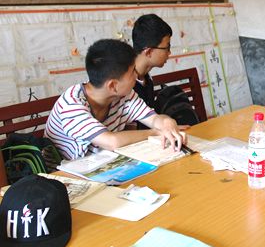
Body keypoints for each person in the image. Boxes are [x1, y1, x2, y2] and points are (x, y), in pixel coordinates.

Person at [44, 39, 185, 160]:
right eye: (132, 72)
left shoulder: (124, 95)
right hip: (63, 176)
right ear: (113, 85)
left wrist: (166, 123)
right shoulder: (71, 105)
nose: (136, 76)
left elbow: (154, 119)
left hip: (103, 164)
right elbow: (112, 141)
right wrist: (155, 132)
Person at [131, 14, 173, 108]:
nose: (169, 52)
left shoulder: (147, 79)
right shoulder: (125, 84)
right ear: (149, 52)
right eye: (167, 47)